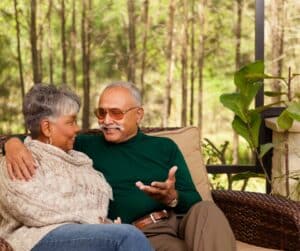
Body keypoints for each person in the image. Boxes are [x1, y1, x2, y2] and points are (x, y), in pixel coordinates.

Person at [4, 82, 236, 251]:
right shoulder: (82, 146)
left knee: (207, 210)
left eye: (116, 113)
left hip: (177, 221)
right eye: (101, 113)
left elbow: (193, 200)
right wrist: (12, 144)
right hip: (140, 233)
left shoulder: (165, 147)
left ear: (139, 115)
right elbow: (39, 136)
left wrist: (172, 197)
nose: (106, 120)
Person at [0, 84, 153, 251]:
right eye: (71, 122)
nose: (77, 128)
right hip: (36, 239)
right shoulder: (19, 160)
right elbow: (32, 209)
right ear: (47, 128)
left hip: (81, 236)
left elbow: (98, 205)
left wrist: (103, 224)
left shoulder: (79, 159)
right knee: (127, 236)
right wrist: (97, 221)